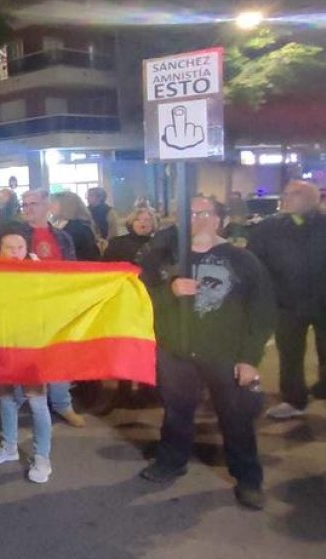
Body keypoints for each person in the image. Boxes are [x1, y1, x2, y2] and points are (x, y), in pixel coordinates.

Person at [140, 197, 275, 510]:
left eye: (202, 212)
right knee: (176, 411)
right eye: (188, 212)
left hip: (225, 353)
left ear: (218, 220)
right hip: (176, 352)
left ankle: (248, 478)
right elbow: (142, 300)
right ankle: (171, 461)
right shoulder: (164, 258)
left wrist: (249, 358)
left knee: (236, 416)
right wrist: (169, 291)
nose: (194, 218)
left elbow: (262, 312)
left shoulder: (242, 260)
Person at [246, 180, 326, 420]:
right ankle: (293, 399)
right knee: (290, 354)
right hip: (286, 304)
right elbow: (253, 263)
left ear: (313, 199)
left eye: (296, 194)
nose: (287, 198)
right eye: (286, 193)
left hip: (324, 303)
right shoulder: (268, 228)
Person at [0, 230, 54, 484]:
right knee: (4, 396)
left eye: (20, 247)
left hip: (31, 344)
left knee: (37, 402)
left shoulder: (39, 272)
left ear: (27, 249)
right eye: (9, 247)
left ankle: (42, 456)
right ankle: (10, 446)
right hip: (2, 342)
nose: (15, 252)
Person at [15, 189, 84, 428]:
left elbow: (73, 270)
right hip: (26, 303)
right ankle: (24, 401)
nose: (27, 208)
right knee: (25, 353)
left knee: (59, 353)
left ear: (46, 206)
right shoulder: (16, 235)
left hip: (56, 304)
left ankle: (62, 403)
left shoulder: (63, 237)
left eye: (32, 204)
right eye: (24, 204)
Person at [96, 206, 161, 413]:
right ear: (131, 222)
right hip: (125, 302)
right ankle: (123, 391)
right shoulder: (118, 244)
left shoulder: (160, 245)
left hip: (152, 302)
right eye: (139, 219)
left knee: (148, 346)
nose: (143, 222)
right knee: (124, 346)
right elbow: (105, 271)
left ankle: (147, 389)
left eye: (148, 220)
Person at [51, 191, 101, 262]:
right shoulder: (56, 224)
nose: (50, 206)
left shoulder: (80, 228)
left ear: (66, 205)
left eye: (54, 203)